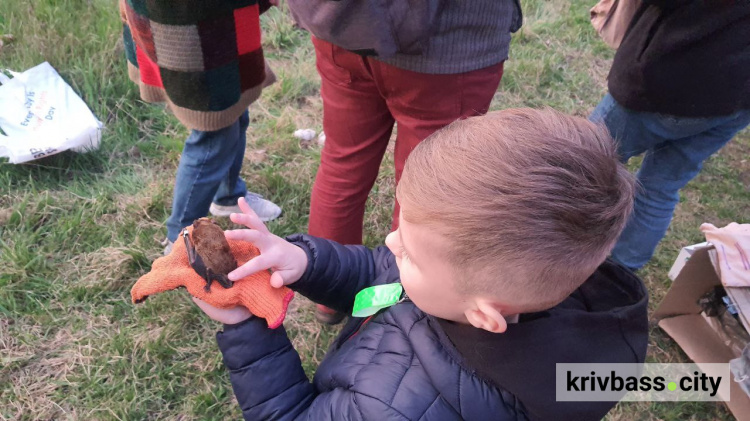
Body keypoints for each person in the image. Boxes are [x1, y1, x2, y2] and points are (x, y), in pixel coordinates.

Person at [193, 109, 649, 420]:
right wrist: (304, 261)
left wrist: (246, 329)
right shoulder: (476, 287)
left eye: (409, 249)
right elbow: (379, 274)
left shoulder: (393, 408)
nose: (391, 241)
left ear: (483, 316)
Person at [285, 0, 523, 323]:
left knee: (344, 162)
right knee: (426, 192)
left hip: (345, 24)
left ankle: (330, 297)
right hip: (449, 46)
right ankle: (386, 315)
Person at [589, 0, 750, 271]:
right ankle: (618, 273)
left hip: (672, 75)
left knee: (581, 158)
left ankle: (541, 244)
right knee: (660, 187)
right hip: (737, 97)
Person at [119, 0, 282, 256]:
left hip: (216, 15)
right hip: (186, 18)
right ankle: (180, 239)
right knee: (213, 136)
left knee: (235, 109)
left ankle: (229, 197)